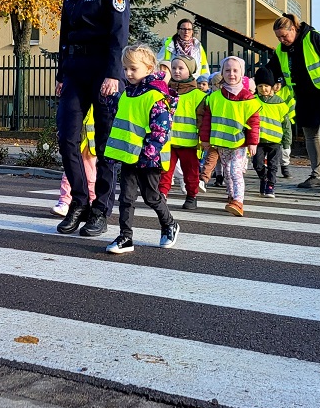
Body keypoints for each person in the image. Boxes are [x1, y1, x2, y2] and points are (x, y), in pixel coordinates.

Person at [54, 0, 129, 239]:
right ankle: (80, 204)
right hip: (75, 71)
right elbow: (64, 34)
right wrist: (61, 75)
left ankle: (100, 210)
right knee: (67, 137)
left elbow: (118, 33)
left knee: (104, 143)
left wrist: (113, 73)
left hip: (103, 71)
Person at [101, 44, 180, 255]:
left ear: (149, 68)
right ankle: (126, 237)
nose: (127, 73)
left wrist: (150, 151)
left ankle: (169, 224)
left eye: (133, 69)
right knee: (126, 198)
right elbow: (123, 117)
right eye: (125, 68)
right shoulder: (128, 93)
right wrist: (110, 100)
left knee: (151, 196)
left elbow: (161, 129)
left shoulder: (156, 96)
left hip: (149, 159)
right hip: (129, 156)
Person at [266, 13, 320, 190]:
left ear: (294, 29)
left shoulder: (314, 39)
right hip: (304, 96)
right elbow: (272, 69)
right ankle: (316, 174)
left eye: (284, 35)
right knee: (311, 135)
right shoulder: (282, 50)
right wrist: (271, 81)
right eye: (278, 37)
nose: (282, 40)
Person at [198, 56, 260, 217]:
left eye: (235, 70)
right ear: (222, 72)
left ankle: (239, 201)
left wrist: (253, 142)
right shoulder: (214, 97)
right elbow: (207, 120)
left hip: (239, 143)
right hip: (221, 142)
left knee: (235, 171)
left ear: (241, 73)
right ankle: (232, 196)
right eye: (227, 70)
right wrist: (205, 139)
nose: (231, 74)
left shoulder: (248, 98)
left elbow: (254, 122)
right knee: (227, 171)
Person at [160, 56, 206, 209]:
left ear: (190, 70)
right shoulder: (165, 91)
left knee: (191, 172)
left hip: (189, 143)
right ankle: (161, 195)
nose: (177, 71)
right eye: (174, 68)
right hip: (168, 141)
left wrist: (203, 140)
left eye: (181, 68)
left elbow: (202, 120)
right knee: (165, 170)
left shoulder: (198, 96)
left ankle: (192, 196)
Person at [251, 66, 291, 199]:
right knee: (257, 164)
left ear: (273, 86)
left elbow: (286, 125)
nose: (264, 89)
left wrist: (287, 144)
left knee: (273, 166)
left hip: (275, 141)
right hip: (259, 141)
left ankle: (270, 187)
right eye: (260, 86)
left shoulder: (280, 103)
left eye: (267, 85)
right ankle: (264, 179)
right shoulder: (253, 101)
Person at [51, 107, 96, 216]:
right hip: (79, 140)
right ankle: (66, 202)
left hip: (89, 142)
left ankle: (90, 202)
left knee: (89, 174)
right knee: (71, 171)